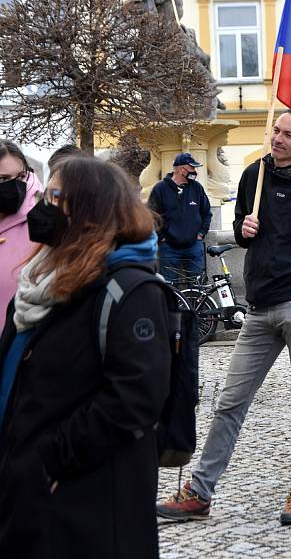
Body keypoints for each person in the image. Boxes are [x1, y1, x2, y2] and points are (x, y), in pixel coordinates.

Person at [157, 109, 291, 526]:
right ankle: (200, 491)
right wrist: (245, 229)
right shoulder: (253, 175)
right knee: (229, 403)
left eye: (287, 135)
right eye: (275, 131)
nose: (278, 139)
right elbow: (247, 224)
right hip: (259, 311)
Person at [0, 157, 172, 559]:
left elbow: (134, 398)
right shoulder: (40, 281)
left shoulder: (129, 289)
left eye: (53, 197)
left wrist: (51, 458)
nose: (41, 208)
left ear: (87, 209)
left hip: (84, 497)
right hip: (26, 485)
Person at [148, 152, 212, 283]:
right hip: (168, 248)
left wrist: (201, 234)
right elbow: (151, 216)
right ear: (181, 169)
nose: (195, 171)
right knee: (169, 288)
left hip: (194, 246)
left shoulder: (197, 188)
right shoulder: (160, 188)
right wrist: (162, 238)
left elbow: (206, 213)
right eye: (192, 168)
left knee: (198, 286)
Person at [0, 141, 42, 330]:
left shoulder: (40, 224)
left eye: (21, 177)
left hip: (15, 346)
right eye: (3, 179)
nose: (15, 186)